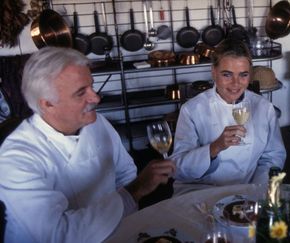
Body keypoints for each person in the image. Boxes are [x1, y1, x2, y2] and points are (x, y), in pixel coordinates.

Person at [0, 47, 176, 243]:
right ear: (47, 104)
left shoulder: (97, 123)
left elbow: (125, 173)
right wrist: (135, 191)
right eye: (80, 93)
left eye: (92, 86)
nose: (96, 98)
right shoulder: (16, 158)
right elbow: (57, 235)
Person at [171, 39, 286, 193]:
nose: (235, 84)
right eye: (227, 75)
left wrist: (257, 190)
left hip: (247, 188)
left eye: (243, 75)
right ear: (213, 72)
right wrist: (215, 147)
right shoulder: (192, 110)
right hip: (200, 190)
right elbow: (178, 168)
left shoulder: (264, 108)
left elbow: (273, 157)